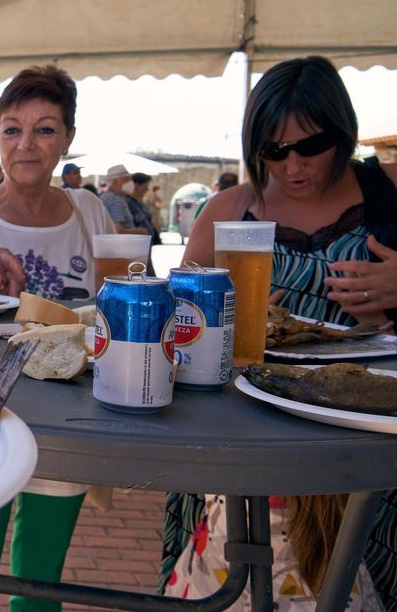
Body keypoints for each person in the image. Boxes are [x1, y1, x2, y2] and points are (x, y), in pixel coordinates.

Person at [163, 55, 397, 609]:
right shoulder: (229, 211)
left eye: (310, 146)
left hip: (369, 436)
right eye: (273, 150)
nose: (293, 165)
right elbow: (173, 326)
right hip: (249, 439)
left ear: (343, 132)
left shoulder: (389, 190)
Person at [0, 65, 116, 612]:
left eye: (45, 129)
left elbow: (117, 305)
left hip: (66, 426)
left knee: (41, 585)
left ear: (68, 139)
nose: (26, 145)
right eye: (12, 129)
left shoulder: (90, 211)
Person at [98, 164, 150, 236]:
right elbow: (118, 231)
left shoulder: (107, 197)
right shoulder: (115, 200)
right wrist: (141, 231)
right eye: (126, 179)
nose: (130, 183)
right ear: (115, 182)